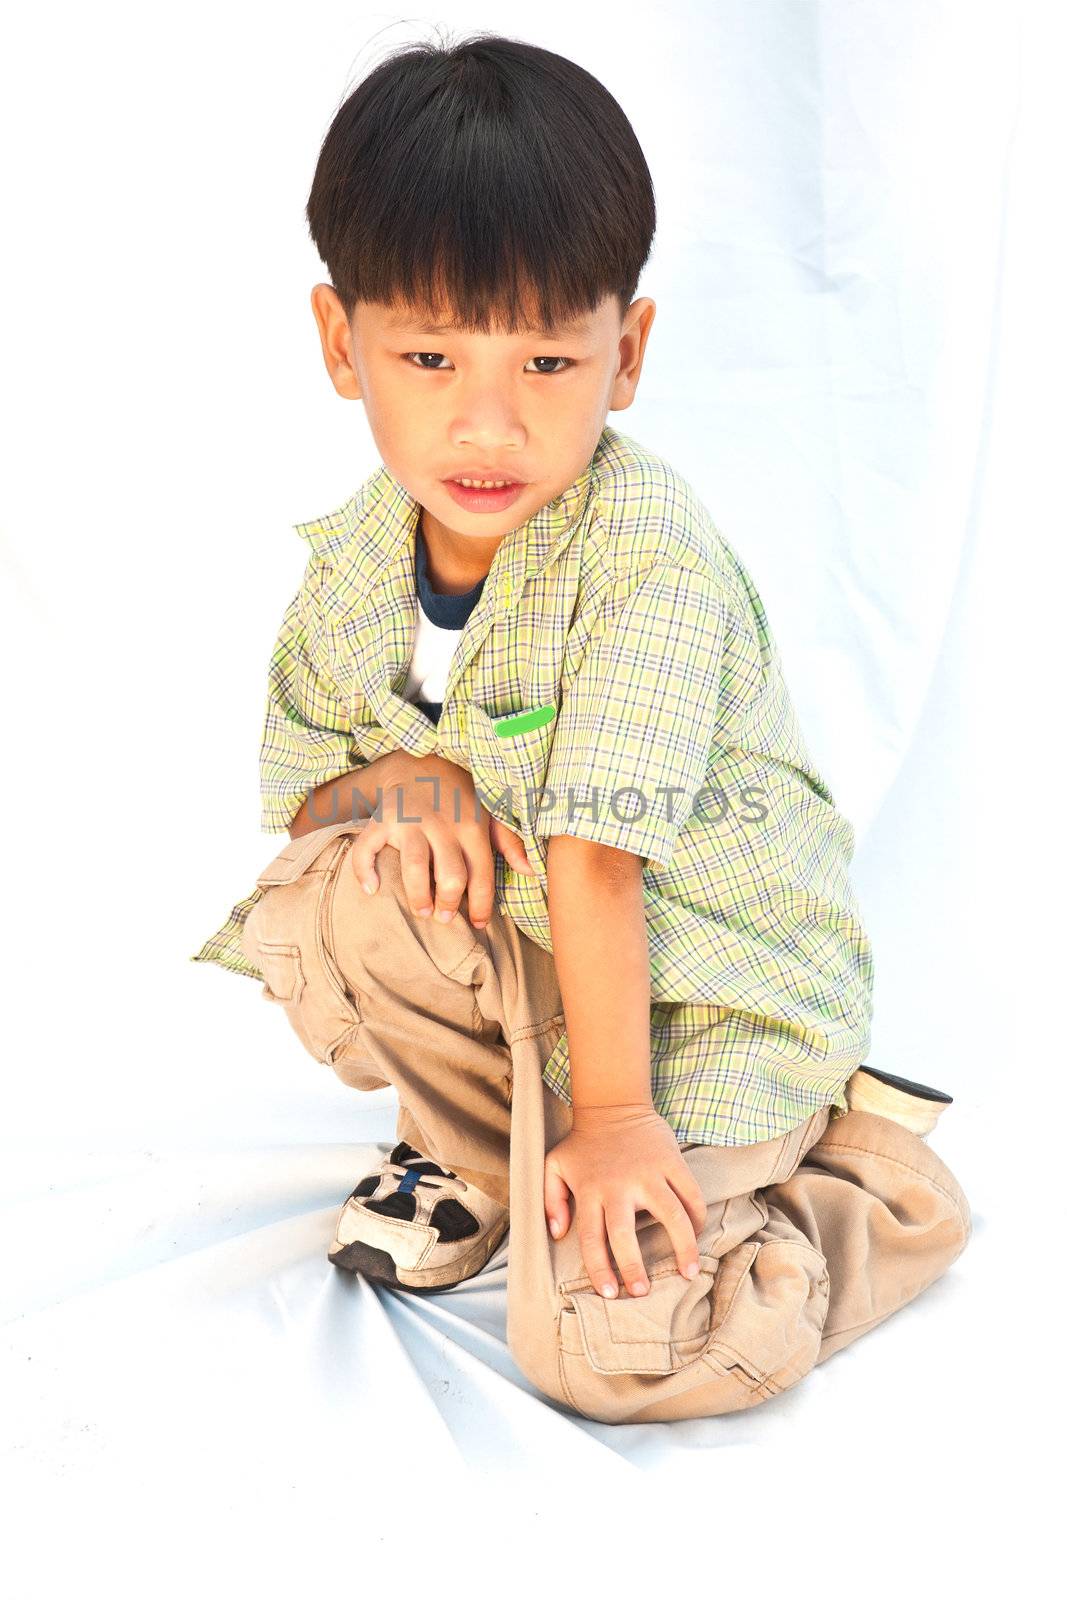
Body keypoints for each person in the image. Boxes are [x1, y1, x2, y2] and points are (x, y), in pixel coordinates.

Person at [190, 32, 971, 1423]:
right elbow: (307, 793)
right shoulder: (363, 562)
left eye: (549, 360)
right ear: (339, 342)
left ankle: (860, 1182)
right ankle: (479, 1157)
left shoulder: (645, 557)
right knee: (331, 894)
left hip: (704, 996)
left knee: (614, 1356)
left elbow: (600, 864)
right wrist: (403, 778)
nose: (487, 423)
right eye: (428, 353)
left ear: (628, 353)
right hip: (547, 984)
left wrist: (617, 1130)